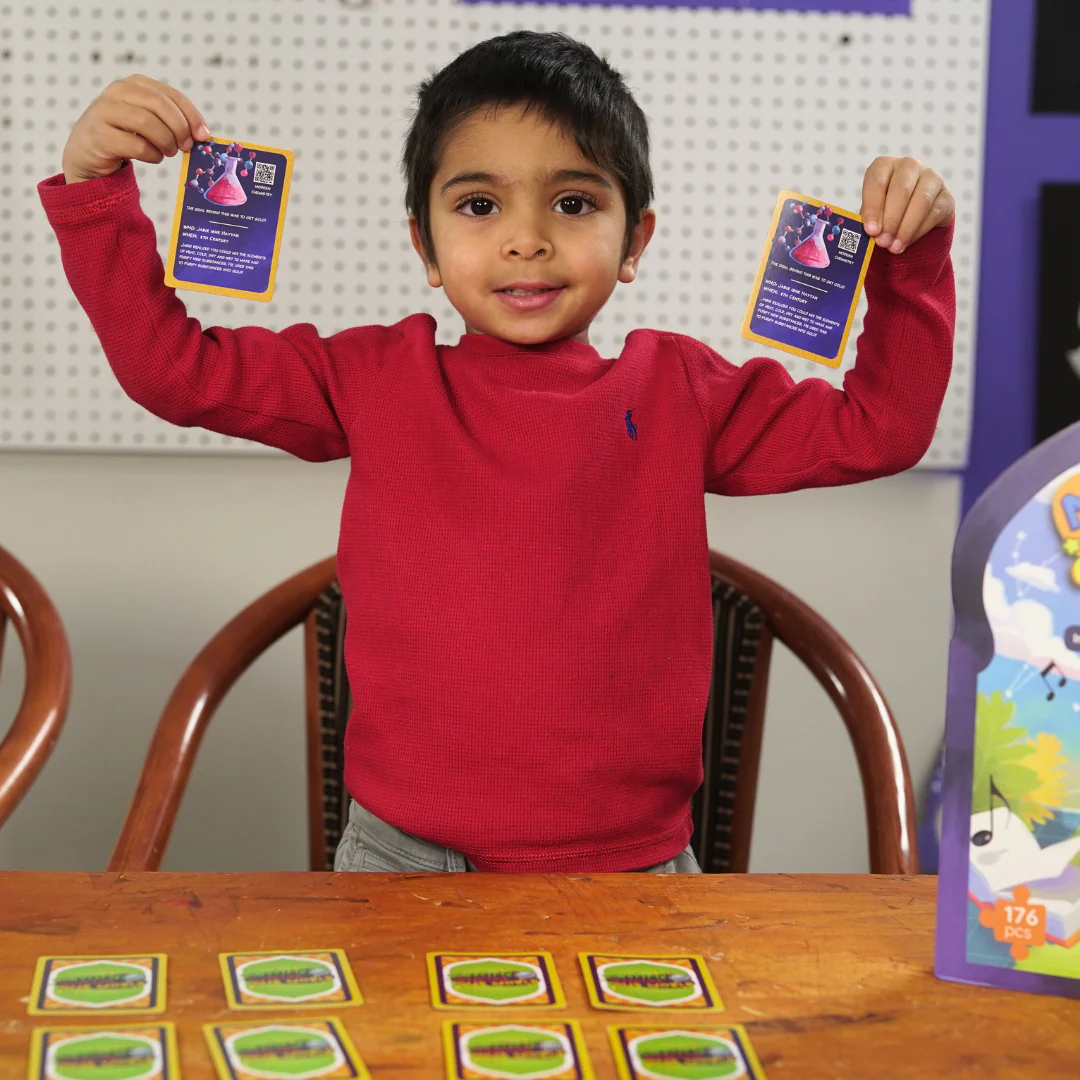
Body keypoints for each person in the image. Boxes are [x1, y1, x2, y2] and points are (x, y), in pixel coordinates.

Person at [39, 31, 955, 874]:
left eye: (574, 202)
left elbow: (881, 428)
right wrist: (94, 190)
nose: (526, 239)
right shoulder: (373, 378)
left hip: (635, 870)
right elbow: (174, 371)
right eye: (479, 205)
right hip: (400, 862)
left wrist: (911, 263)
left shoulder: (680, 390)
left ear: (634, 239)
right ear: (426, 245)